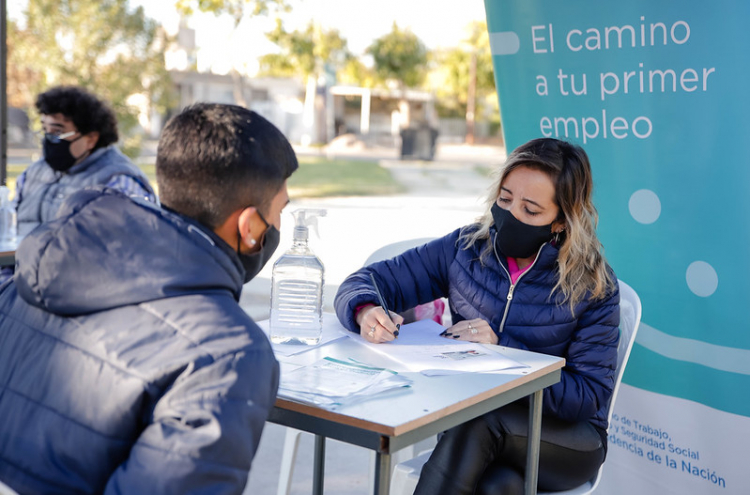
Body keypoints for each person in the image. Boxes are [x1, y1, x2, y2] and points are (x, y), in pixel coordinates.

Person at [0, 103, 297, 494]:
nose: (278, 226)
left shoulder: (23, 281)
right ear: (248, 226)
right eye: (279, 211)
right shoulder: (229, 355)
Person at [334, 138, 620, 494]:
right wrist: (365, 309)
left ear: (562, 221)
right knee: (499, 487)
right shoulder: (465, 250)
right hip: (477, 431)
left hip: (567, 441)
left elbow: (586, 396)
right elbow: (368, 280)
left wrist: (502, 350)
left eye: (530, 210)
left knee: (480, 419)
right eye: (504, 199)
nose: (511, 215)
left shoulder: (593, 285)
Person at [14, 85, 155, 237]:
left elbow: (129, 245)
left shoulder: (117, 183)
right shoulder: (32, 174)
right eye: (44, 130)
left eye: (57, 132)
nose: (48, 139)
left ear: (91, 139)